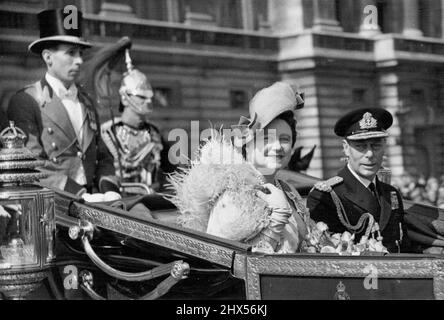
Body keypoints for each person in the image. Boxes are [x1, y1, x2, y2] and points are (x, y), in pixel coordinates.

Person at [168, 81, 308, 253]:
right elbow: (219, 258)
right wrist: (276, 221)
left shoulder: (289, 191)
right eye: (267, 139)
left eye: (285, 139)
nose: (277, 146)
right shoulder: (234, 193)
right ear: (248, 144)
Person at [7, 9, 117, 195]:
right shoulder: (27, 100)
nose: (79, 60)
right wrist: (79, 195)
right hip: (53, 202)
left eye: (81, 53)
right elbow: (31, 165)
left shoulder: (86, 102)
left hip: (95, 200)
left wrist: (109, 190)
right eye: (71, 53)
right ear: (48, 57)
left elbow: (103, 156)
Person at [307, 108, 410, 253]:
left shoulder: (391, 193)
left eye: (376, 146)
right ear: (346, 148)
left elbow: (403, 246)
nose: (369, 154)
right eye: (360, 146)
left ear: (384, 148)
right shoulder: (325, 196)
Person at [101, 50, 173, 192]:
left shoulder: (155, 133)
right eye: (142, 97)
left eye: (149, 97)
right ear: (124, 98)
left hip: (154, 199)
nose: (148, 101)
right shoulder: (108, 132)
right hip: (122, 203)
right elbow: (104, 176)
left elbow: (169, 172)